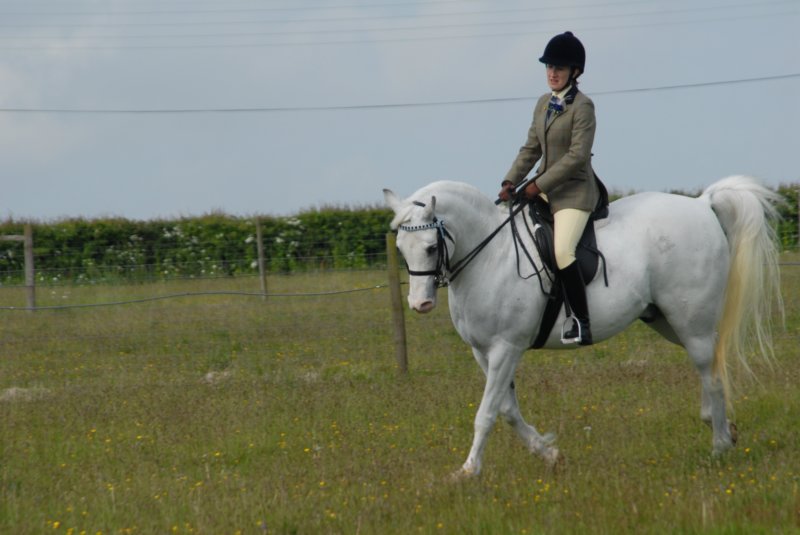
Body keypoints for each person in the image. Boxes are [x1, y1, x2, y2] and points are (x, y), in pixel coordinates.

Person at [498, 31, 601, 346]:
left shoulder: (583, 107)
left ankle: (581, 323)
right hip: (543, 190)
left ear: (575, 72)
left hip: (574, 193)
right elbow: (531, 148)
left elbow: (576, 157)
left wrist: (537, 185)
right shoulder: (544, 103)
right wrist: (510, 181)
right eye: (548, 67)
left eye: (559, 67)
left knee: (561, 250)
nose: (552, 73)